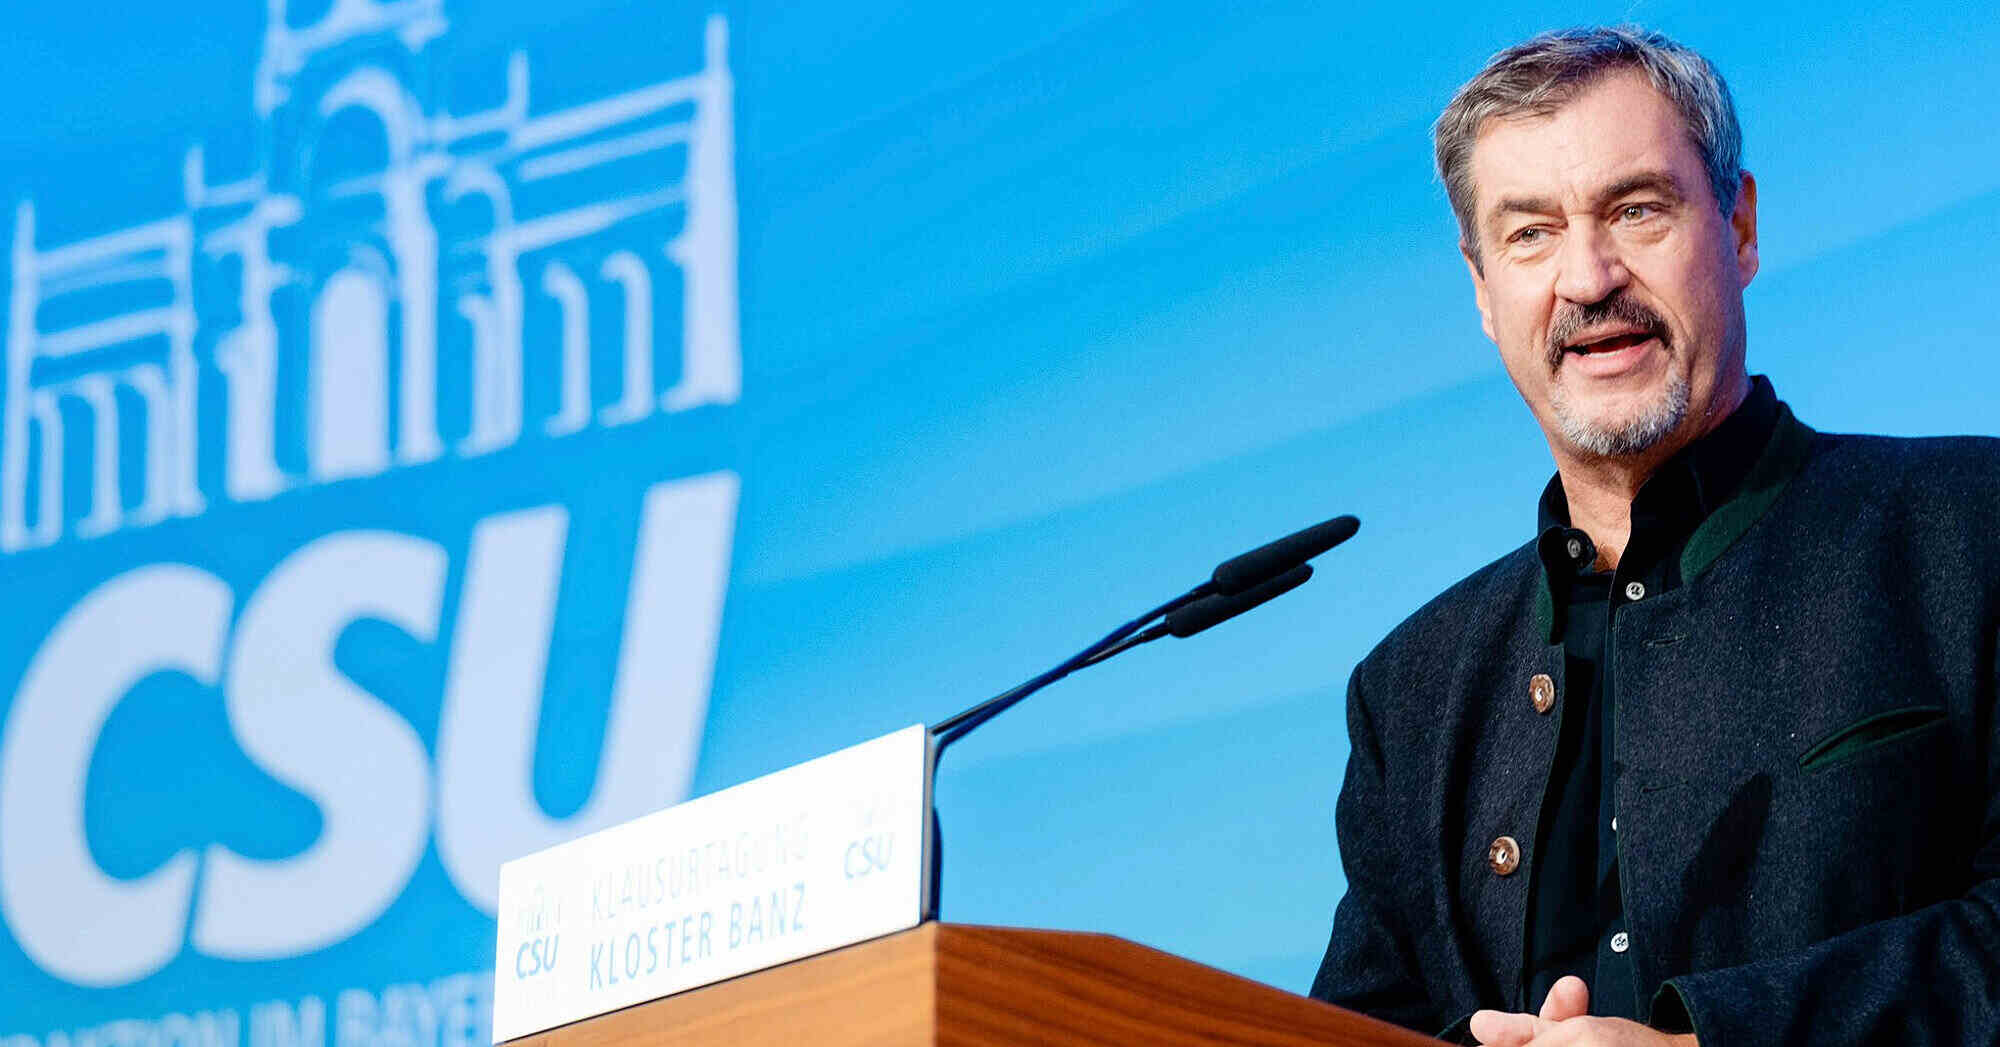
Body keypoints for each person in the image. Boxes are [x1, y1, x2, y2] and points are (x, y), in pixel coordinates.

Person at [1308, 25, 2000, 1047]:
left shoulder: (1971, 524)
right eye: (1530, 233)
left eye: (1635, 210)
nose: (1588, 279)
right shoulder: (1411, 689)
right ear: (1482, 290)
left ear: (1740, 227)